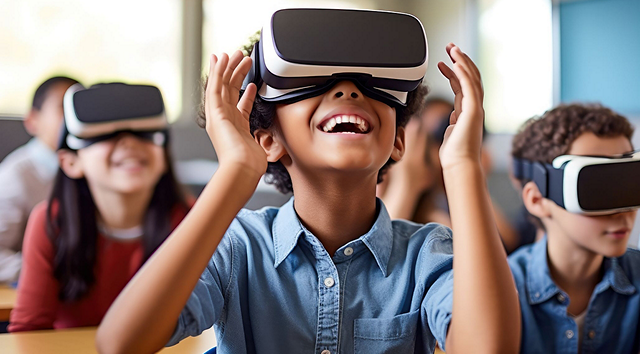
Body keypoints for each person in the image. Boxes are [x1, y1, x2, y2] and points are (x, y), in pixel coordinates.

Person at [97, 36, 520, 353]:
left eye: (370, 84)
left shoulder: (427, 253)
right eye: (313, 81)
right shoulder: (239, 247)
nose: (348, 89)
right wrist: (237, 170)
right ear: (267, 140)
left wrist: (463, 166)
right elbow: (121, 342)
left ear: (398, 142)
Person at [8, 83, 189, 332]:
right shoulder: (51, 221)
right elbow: (29, 330)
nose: (129, 143)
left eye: (145, 133)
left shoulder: (194, 218)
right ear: (70, 161)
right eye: (105, 136)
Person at [508, 103, 640, 353]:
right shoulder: (503, 291)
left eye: (630, 182)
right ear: (537, 200)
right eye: (597, 189)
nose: (622, 212)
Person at [378, 98, 522, 252]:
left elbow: (508, 243)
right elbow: (375, 253)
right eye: (440, 134)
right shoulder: (381, 184)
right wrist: (407, 182)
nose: (448, 146)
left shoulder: (440, 220)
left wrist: (470, 177)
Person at [0, 76, 78, 283]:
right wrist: (51, 273)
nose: (74, 116)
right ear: (32, 121)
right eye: (63, 108)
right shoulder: (15, 175)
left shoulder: (91, 166)